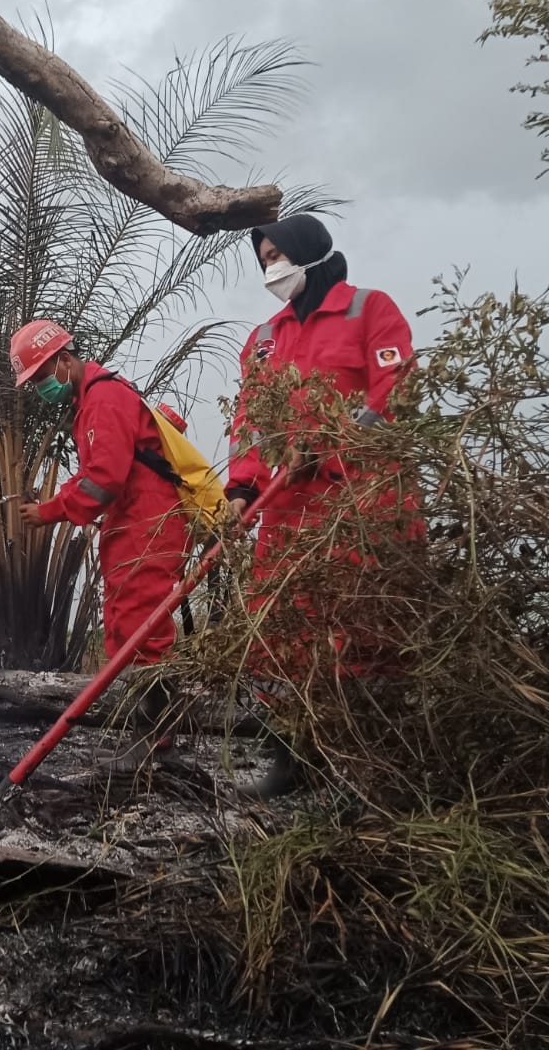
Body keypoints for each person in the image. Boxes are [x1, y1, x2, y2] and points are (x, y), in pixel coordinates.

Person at [225, 212, 420, 798]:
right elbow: (249, 425)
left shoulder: (369, 310)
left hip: (360, 506)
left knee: (363, 628)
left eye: (277, 258)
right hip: (285, 513)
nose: (271, 270)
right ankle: (290, 762)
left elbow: (396, 391)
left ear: (310, 253)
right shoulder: (262, 341)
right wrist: (241, 491)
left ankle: (372, 768)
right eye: (263, 263)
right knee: (279, 630)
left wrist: (331, 446)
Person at [9, 320, 196, 772]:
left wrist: (50, 513)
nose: (40, 388)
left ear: (65, 360)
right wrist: (53, 503)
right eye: (33, 382)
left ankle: (156, 741)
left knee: (142, 631)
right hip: (131, 524)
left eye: (40, 377)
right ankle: (148, 738)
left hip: (146, 524)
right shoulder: (93, 400)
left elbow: (104, 480)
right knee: (124, 630)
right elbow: (96, 473)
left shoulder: (105, 398)